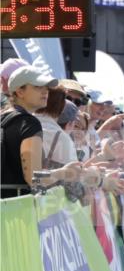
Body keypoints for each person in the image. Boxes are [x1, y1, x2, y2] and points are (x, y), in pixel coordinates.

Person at [1, 66, 78, 199]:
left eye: (46, 88)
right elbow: (34, 179)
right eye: (37, 87)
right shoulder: (30, 124)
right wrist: (64, 173)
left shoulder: (3, 118)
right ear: (20, 92)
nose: (45, 92)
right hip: (17, 212)